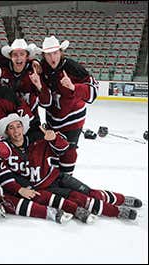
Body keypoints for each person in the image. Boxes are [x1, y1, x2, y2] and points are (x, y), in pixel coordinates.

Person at [0, 113, 141, 221]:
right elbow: (3, 159)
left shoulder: (38, 141)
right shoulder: (5, 147)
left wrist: (54, 138)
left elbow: (64, 148)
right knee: (80, 198)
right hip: (44, 188)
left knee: (90, 192)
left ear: (23, 127)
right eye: (11, 128)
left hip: (58, 177)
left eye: (18, 126)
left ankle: (121, 199)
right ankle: (118, 212)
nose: (16, 131)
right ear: (7, 132)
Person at [36, 36, 99, 177]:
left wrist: (73, 87)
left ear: (61, 52)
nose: (53, 57)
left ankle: (67, 180)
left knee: (68, 152)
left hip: (73, 120)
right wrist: (40, 87)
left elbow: (93, 92)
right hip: (53, 119)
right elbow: (45, 103)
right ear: (44, 55)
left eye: (55, 53)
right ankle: (54, 182)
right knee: (52, 151)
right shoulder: (42, 69)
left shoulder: (73, 67)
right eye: (48, 54)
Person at [0, 38, 45, 140]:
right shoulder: (3, 70)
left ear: (27, 56)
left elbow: (42, 98)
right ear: (10, 57)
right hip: (8, 118)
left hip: (30, 117)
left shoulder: (34, 72)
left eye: (22, 54)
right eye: (15, 55)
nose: (18, 58)